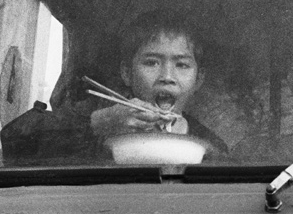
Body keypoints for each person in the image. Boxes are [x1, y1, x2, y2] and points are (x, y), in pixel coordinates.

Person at [88, 24, 227, 154]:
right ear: (127, 73)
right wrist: (98, 125)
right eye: (151, 63)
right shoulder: (105, 129)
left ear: (198, 79)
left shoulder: (209, 147)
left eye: (182, 65)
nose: (167, 77)